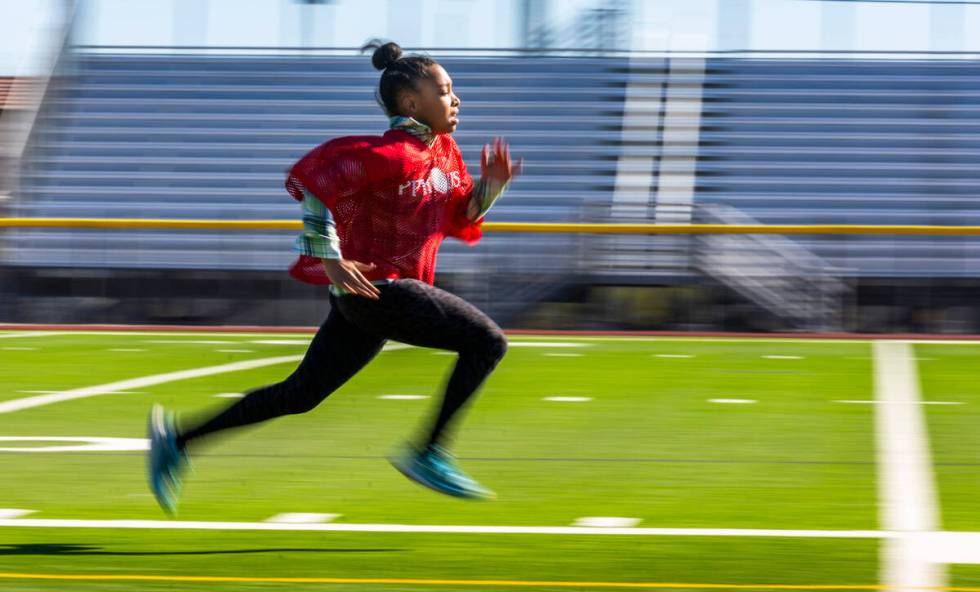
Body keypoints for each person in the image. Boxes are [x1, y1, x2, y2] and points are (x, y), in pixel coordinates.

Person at [147, 40, 522, 514]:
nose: (456, 99)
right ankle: (430, 452)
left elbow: (461, 212)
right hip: (379, 289)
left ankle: (178, 439)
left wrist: (491, 187)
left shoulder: (443, 153)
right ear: (411, 104)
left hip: (366, 299)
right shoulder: (389, 154)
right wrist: (328, 256)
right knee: (488, 342)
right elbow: (316, 184)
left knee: (301, 394)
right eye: (445, 91)